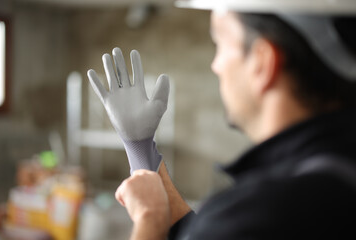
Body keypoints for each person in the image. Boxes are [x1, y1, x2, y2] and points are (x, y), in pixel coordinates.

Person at [87, 0, 356, 239]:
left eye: (221, 44)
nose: (216, 65)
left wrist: (149, 218)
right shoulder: (332, 173)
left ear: (262, 63)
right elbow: (199, 232)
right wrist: (140, 149)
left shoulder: (269, 211)